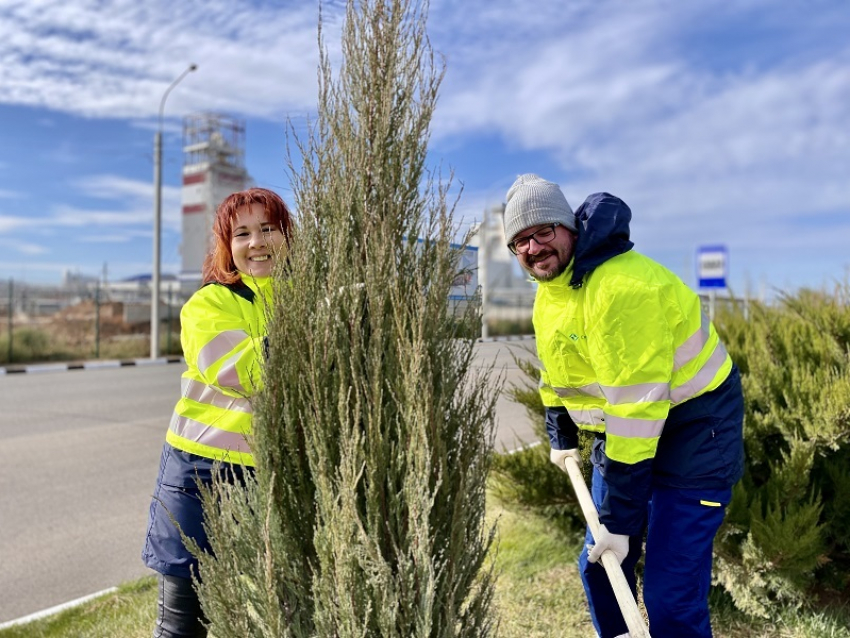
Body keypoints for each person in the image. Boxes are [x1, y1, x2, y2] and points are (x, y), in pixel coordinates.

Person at [502, 174, 744, 638]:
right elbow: (558, 374)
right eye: (520, 241)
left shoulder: (621, 289)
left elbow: (637, 412)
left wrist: (616, 520)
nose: (533, 248)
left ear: (569, 227)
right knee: (600, 566)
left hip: (695, 434)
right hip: (627, 434)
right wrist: (561, 436)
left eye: (543, 232)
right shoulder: (550, 293)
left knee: (670, 601)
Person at [142, 187, 292, 638]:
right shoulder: (207, 304)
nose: (256, 242)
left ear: (288, 235)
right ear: (227, 246)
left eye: (268, 228)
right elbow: (244, 369)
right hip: (198, 473)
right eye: (242, 233)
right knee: (183, 622)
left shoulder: (301, 296)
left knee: (271, 610)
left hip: (269, 474)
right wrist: (316, 330)